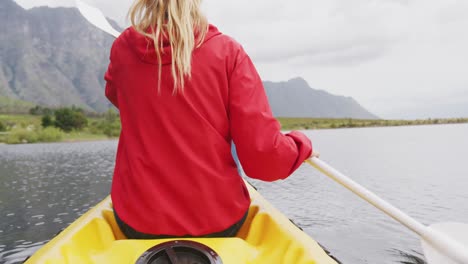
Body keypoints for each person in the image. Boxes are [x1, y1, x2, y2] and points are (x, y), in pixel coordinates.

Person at [105, 0, 314, 239]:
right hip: (217, 220)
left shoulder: (122, 49)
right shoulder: (227, 52)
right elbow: (264, 160)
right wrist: (300, 144)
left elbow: (115, 93)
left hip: (137, 221)